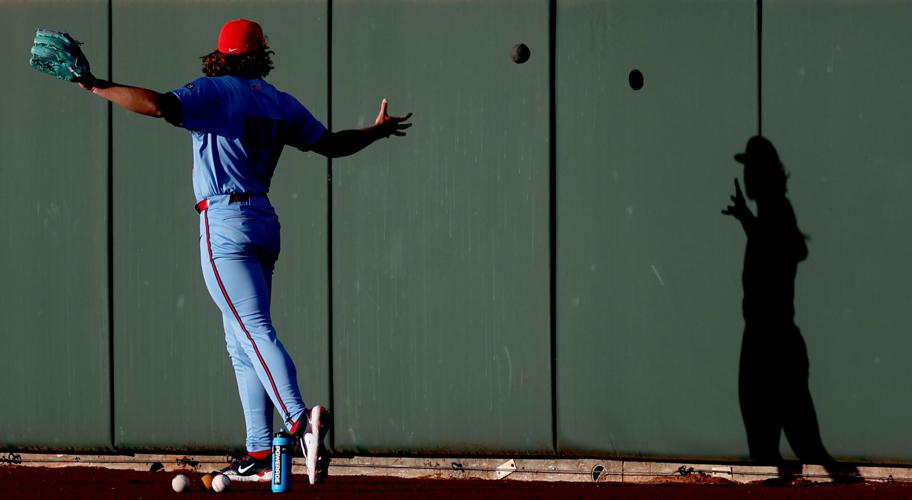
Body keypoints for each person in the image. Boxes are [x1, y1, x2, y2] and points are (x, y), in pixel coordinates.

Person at [76, 19, 412, 483]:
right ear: (261, 56)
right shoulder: (279, 102)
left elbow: (158, 106)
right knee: (240, 339)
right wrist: (374, 132)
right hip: (263, 220)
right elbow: (330, 144)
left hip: (226, 221)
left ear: (220, 54)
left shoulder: (215, 91)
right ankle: (258, 450)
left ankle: (298, 421)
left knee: (252, 328)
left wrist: (95, 85)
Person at [723, 136, 859, 484]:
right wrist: (748, 221)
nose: (748, 177)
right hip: (766, 340)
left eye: (752, 170)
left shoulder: (778, 210)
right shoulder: (772, 212)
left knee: (798, 449)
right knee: (777, 450)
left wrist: (749, 222)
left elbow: (792, 249)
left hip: (773, 342)